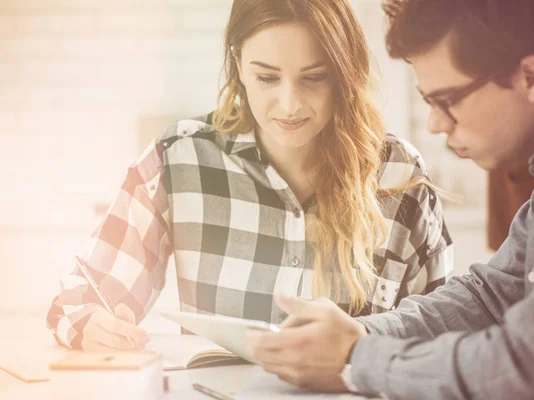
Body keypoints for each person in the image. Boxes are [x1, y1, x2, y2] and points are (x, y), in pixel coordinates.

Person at [46, 0, 453, 352]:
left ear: (344, 74)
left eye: (313, 77)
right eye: (267, 77)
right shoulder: (178, 160)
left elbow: (447, 335)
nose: (289, 104)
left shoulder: (399, 173)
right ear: (238, 64)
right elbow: (82, 298)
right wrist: (91, 324)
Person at [246, 0, 534, 398]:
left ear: (531, 77)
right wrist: (357, 333)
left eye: (447, 100)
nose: (434, 124)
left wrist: (360, 357)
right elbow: (491, 295)